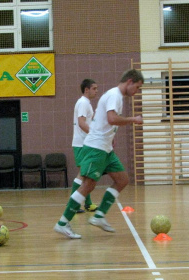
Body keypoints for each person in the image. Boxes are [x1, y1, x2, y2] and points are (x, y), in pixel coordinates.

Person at [54, 69, 144, 239]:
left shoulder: (117, 97)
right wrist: (133, 119)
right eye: (138, 87)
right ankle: (63, 222)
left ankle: (99, 216)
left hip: (105, 148)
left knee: (122, 179)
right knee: (88, 185)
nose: (137, 91)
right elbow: (111, 118)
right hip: (96, 147)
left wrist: (112, 136)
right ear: (130, 81)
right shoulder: (115, 95)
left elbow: (107, 122)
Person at [71, 79, 99, 213]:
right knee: (82, 174)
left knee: (87, 175)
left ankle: (87, 203)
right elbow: (81, 123)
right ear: (86, 90)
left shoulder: (86, 103)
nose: (96, 91)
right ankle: (73, 204)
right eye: (94, 88)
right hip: (82, 144)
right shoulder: (83, 103)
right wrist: (96, 136)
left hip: (85, 143)